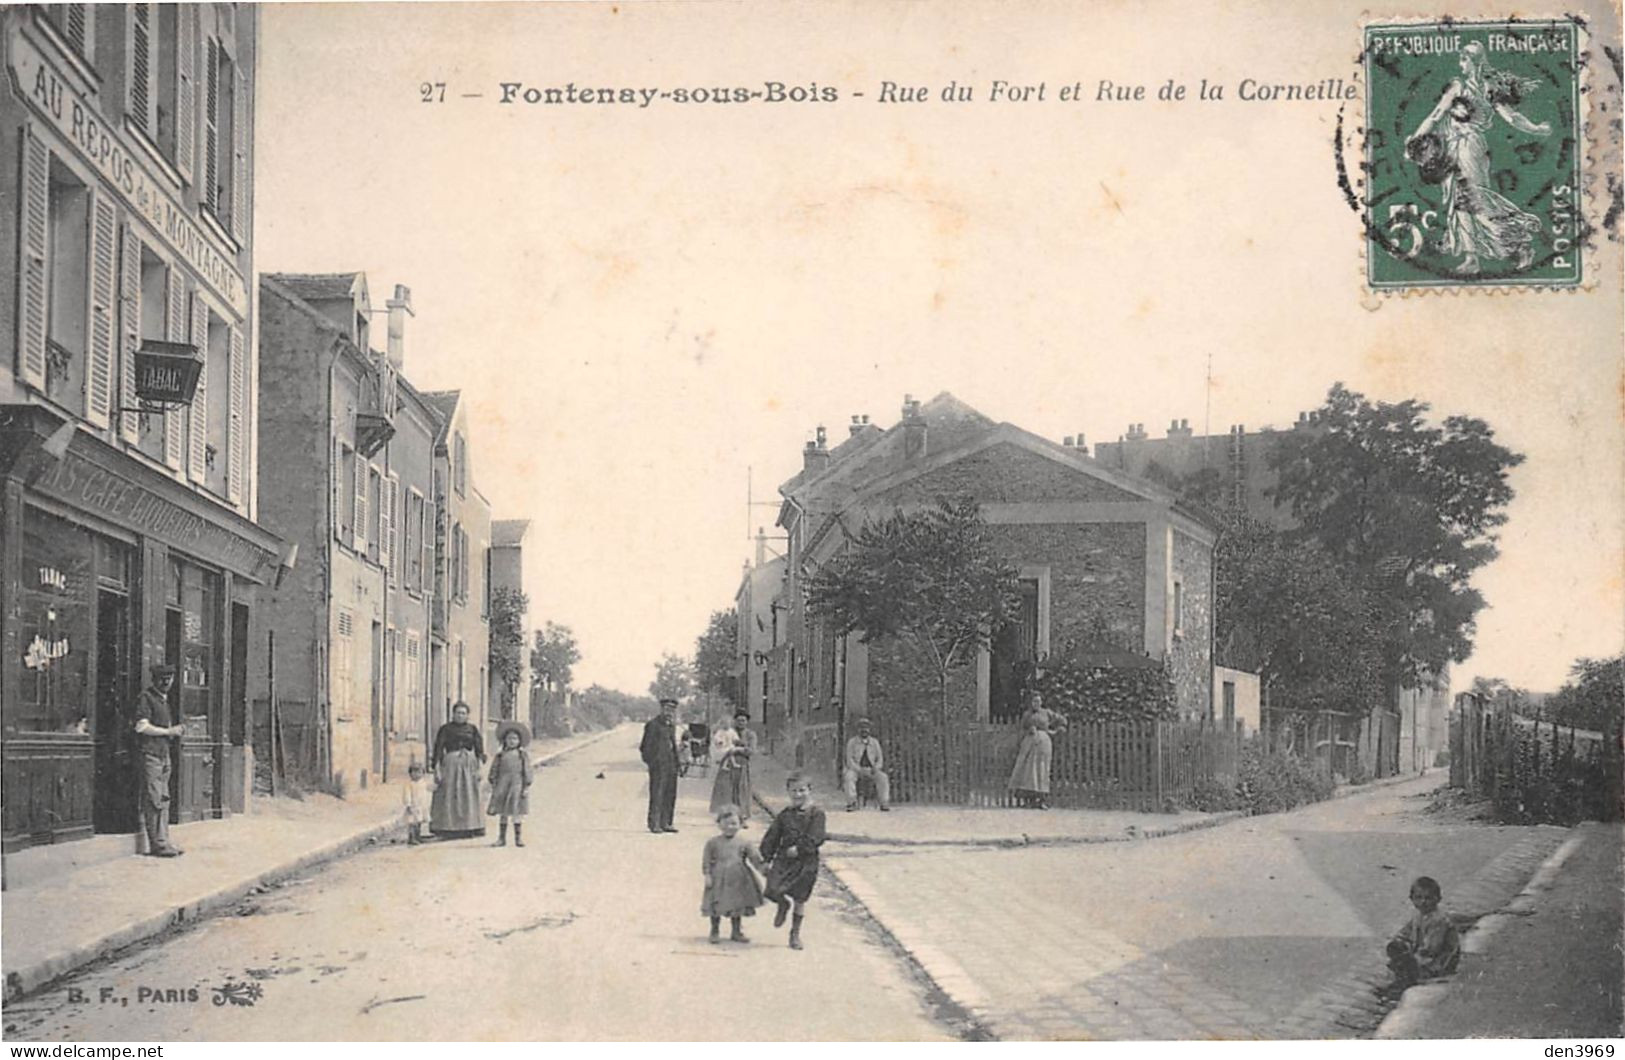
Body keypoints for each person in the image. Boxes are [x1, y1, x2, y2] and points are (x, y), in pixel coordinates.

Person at [1407, 40, 1551, 275]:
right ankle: (1471, 255)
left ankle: (1518, 245)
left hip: (1470, 148)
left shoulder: (1487, 88)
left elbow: (1511, 116)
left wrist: (1535, 129)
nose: (1460, 63)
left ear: (1474, 62)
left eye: (1464, 59)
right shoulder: (1459, 86)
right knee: (1460, 201)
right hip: (1451, 148)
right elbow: (1435, 116)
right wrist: (1416, 138)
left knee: (1475, 200)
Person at [760, 771, 826, 951]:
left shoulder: (816, 814)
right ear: (788, 792)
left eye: (802, 790)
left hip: (806, 862)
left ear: (809, 790)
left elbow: (817, 836)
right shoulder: (785, 814)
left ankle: (795, 934)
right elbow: (772, 836)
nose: (798, 795)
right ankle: (782, 903)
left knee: (800, 897)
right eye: (794, 791)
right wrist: (766, 858)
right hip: (784, 859)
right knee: (772, 888)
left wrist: (800, 849)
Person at [132, 664, 184, 857]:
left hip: (163, 755)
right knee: (154, 799)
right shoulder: (146, 698)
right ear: (154, 679)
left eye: (169, 678)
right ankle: (158, 845)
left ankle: (164, 841)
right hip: (151, 754)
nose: (166, 682)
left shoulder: (163, 700)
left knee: (163, 799)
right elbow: (141, 726)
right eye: (162, 678)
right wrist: (168, 732)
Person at [701, 803, 766, 944]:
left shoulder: (744, 842)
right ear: (719, 825)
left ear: (741, 824)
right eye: (725, 824)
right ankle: (714, 930)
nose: (730, 827)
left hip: (738, 878)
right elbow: (706, 860)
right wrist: (707, 875)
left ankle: (736, 931)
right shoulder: (713, 843)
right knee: (716, 903)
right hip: (718, 877)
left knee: (737, 905)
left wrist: (763, 868)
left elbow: (754, 857)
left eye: (733, 824)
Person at [1386, 876, 1461, 990]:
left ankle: (1405, 983)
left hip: (1439, 959)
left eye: (1428, 898)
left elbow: (1432, 948)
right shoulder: (1418, 915)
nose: (1423, 902)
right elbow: (1407, 931)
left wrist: (1413, 956)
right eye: (1418, 898)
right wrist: (1400, 940)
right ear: (1412, 899)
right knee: (1398, 955)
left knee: (1408, 964)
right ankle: (1402, 979)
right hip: (1423, 955)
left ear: (1438, 899)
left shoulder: (1438, 920)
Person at [430, 702, 486, 837]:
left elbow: (479, 750)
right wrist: (437, 768)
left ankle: (470, 827)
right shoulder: (445, 729)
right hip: (450, 764)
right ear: (453, 714)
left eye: (463, 713)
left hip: (468, 765)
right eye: (458, 713)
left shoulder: (472, 729)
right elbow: (438, 749)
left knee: (469, 794)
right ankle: (447, 827)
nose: (460, 715)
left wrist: (480, 769)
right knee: (449, 793)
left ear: (467, 715)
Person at [1007, 692, 1067, 809]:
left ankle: (1041, 800)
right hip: (1029, 744)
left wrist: (1053, 731)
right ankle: (1028, 800)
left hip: (1043, 744)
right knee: (1028, 771)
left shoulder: (1047, 713)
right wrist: (1029, 730)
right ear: (1030, 703)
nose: (1037, 704)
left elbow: (1063, 721)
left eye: (1039, 701)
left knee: (1042, 770)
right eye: (1034, 701)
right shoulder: (1027, 715)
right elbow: (1021, 729)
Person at [487, 720, 534, 847]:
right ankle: (501, 838)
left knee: (517, 812)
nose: (512, 741)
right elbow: (494, 770)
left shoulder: (522, 755)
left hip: (517, 786)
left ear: (519, 741)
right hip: (503, 786)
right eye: (509, 738)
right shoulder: (500, 755)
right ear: (504, 740)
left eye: (515, 739)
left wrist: (526, 786)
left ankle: (518, 838)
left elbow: (527, 771)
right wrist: (493, 783)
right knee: (503, 813)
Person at [709, 710, 757, 825]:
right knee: (725, 790)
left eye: (743, 720)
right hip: (727, 764)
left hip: (742, 765)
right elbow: (718, 743)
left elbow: (751, 750)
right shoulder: (728, 730)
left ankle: (742, 818)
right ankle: (724, 816)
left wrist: (738, 749)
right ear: (735, 721)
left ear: (747, 722)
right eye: (739, 720)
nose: (741, 723)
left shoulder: (750, 734)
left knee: (741, 792)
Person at [640, 697, 681, 833]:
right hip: (658, 766)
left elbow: (673, 745)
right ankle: (654, 824)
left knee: (670, 794)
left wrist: (678, 763)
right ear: (661, 709)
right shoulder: (653, 725)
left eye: (672, 710)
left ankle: (667, 823)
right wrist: (652, 762)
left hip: (671, 765)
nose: (669, 712)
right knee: (657, 794)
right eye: (667, 709)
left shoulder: (671, 725)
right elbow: (645, 747)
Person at [842, 716, 892, 812]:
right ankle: (851, 802)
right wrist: (859, 769)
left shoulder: (874, 742)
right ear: (858, 729)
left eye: (866, 728)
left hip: (871, 769)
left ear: (869, 730)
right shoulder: (852, 742)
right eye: (861, 728)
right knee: (849, 777)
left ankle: (884, 802)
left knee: (883, 777)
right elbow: (849, 760)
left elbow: (880, 758)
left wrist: (876, 768)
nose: (864, 730)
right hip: (856, 769)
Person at [402, 762, 433, 845]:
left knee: (419, 822)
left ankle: (418, 836)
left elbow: (428, 789)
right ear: (410, 774)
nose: (416, 775)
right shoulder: (409, 784)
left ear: (423, 773)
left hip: (421, 806)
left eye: (419, 772)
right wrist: (408, 804)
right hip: (413, 806)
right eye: (414, 772)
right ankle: (411, 838)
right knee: (412, 823)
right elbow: (407, 795)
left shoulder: (423, 783)